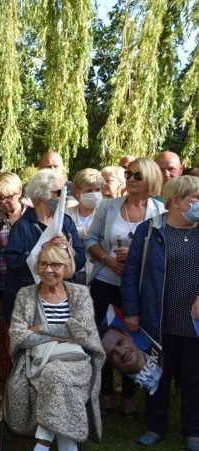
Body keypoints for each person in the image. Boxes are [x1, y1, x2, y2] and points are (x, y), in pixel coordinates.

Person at [5, 243, 104, 451]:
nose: (49, 270)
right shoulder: (26, 295)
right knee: (55, 376)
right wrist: (64, 334)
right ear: (37, 266)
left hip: (77, 364)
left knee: (56, 375)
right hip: (37, 363)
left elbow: (85, 334)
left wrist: (41, 329)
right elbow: (18, 337)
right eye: (44, 264)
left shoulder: (80, 294)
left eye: (56, 264)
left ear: (67, 267)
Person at [121, 175, 199, 451]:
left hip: (194, 322)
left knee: (193, 377)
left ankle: (193, 430)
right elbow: (131, 272)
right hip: (158, 317)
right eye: (195, 199)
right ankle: (155, 426)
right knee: (158, 375)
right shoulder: (150, 230)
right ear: (176, 201)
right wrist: (131, 310)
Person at [85, 157, 165, 417]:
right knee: (103, 336)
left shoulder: (159, 213)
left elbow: (162, 250)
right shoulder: (108, 206)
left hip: (140, 287)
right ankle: (105, 391)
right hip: (105, 282)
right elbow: (89, 240)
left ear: (151, 179)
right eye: (128, 174)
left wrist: (135, 254)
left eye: (137, 176)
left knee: (135, 337)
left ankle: (130, 394)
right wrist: (108, 258)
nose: (130, 179)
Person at [2, 168, 85, 323]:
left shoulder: (66, 223)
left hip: (62, 304)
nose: (64, 196)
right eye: (58, 192)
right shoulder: (23, 226)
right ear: (42, 196)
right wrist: (43, 253)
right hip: (31, 305)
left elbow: (81, 260)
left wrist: (69, 250)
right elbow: (13, 262)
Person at [0, 172, 27, 420]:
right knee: (3, 342)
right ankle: (4, 391)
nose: (2, 203)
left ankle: (22, 392)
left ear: (18, 192)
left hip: (26, 289)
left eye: (6, 198)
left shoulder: (30, 216)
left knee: (21, 341)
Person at [66, 168, 105, 282]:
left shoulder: (106, 214)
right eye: (89, 190)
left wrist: (76, 233)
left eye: (97, 189)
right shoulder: (66, 214)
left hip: (96, 274)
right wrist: (86, 232)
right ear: (77, 192)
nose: (94, 194)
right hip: (71, 273)